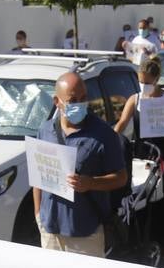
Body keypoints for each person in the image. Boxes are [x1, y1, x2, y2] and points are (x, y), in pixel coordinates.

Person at [35, 72, 128, 257]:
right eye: (72, 100)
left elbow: (121, 178)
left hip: (86, 234)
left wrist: (90, 183)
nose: (79, 104)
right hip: (50, 231)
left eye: (83, 98)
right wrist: (38, 214)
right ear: (57, 101)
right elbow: (38, 178)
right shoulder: (45, 131)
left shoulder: (103, 134)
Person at [113, 57, 164, 259]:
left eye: (148, 82)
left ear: (157, 79)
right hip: (143, 156)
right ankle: (138, 238)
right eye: (141, 82)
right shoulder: (134, 99)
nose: (144, 86)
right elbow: (122, 123)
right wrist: (110, 141)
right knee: (140, 198)